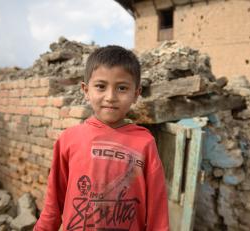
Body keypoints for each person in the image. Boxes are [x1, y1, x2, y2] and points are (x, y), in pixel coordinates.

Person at [34, 46, 169, 230]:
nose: (110, 97)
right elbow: (53, 204)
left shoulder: (145, 143)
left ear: (136, 94)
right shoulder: (69, 139)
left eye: (122, 88)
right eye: (100, 86)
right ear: (86, 90)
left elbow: (157, 211)